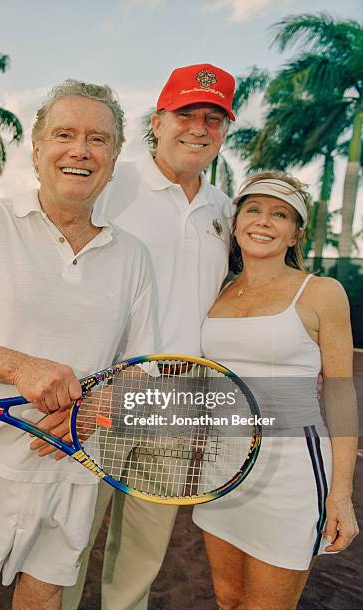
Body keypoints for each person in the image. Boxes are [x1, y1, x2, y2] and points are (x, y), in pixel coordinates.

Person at [0, 63, 236, 610]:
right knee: (62, 550)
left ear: (224, 131)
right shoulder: (110, 175)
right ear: (159, 121)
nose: (198, 128)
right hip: (96, 394)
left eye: (213, 119)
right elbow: (46, 201)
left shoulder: (225, 210)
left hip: (171, 398)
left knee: (142, 555)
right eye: (185, 114)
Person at [0, 80, 158, 610]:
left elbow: (140, 369)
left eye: (99, 139)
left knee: (42, 603)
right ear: (37, 149)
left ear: (113, 159)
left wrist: (95, 411)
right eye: (64, 134)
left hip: (70, 468)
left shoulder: (133, 255)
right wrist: (18, 366)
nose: (81, 150)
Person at [192, 171, 358, 609]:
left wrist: (341, 494)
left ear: (295, 232)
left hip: (291, 477)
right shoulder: (218, 293)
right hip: (222, 469)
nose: (264, 221)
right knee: (228, 600)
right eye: (254, 209)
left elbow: (340, 394)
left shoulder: (322, 292)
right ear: (236, 222)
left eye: (280, 214)